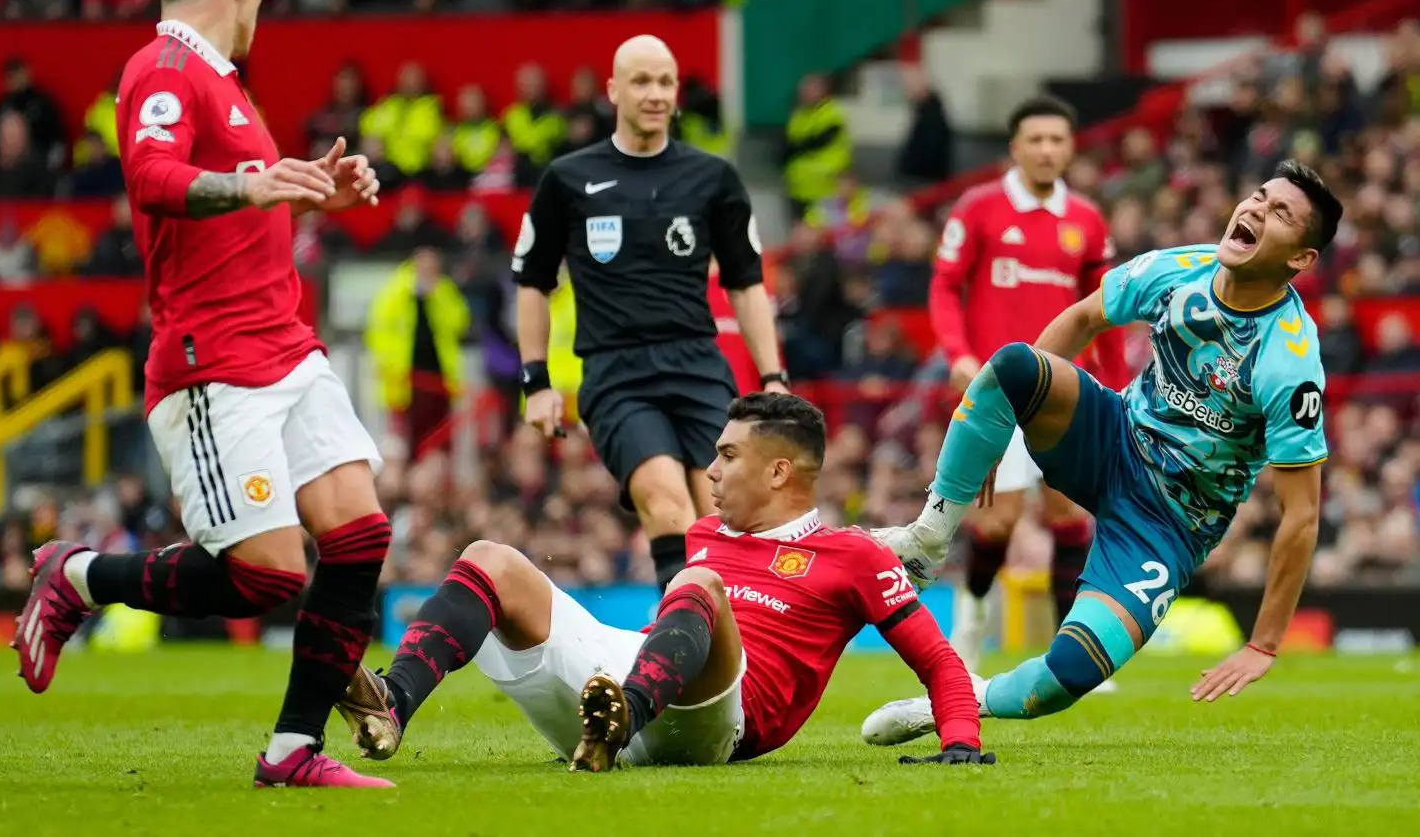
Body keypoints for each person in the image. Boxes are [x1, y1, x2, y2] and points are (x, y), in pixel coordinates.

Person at [10, 0, 393, 790]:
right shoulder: (162, 67)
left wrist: (312, 190)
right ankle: (76, 575)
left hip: (286, 345)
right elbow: (150, 174)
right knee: (264, 576)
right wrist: (252, 186)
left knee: (360, 534)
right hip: (214, 363)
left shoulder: (222, 81)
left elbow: (238, 206)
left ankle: (293, 751)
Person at [863, 161, 1339, 747]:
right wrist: (1004, 431)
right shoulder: (1180, 268)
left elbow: (1302, 514)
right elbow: (1086, 316)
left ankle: (962, 698)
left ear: (1301, 258)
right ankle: (928, 538)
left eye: (1280, 214)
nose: (1256, 211)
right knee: (1014, 364)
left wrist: (1263, 643)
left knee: (1071, 674)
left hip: (1170, 521)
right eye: (1259, 197)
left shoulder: (1290, 361)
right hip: (1112, 436)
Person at [337, 393, 993, 770]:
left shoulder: (853, 555)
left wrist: (961, 742)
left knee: (698, 584)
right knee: (490, 558)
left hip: (717, 725)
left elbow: (939, 662)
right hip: (627, 681)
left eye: (728, 456)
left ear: (779, 474)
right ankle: (393, 703)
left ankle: (619, 721)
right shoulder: (708, 534)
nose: (709, 470)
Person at [513, 34, 786, 594]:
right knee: (665, 503)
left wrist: (773, 377)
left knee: (720, 516)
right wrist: (536, 382)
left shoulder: (713, 179)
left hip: (698, 367)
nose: (655, 93)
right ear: (613, 90)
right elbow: (533, 282)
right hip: (617, 374)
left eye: (665, 81)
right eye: (641, 81)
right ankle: (686, 659)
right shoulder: (567, 180)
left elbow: (746, 284)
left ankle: (717, 658)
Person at [929, 95, 1127, 677]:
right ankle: (969, 629)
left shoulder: (1087, 220)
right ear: (1015, 148)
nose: (1046, 150)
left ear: (1070, 148)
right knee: (998, 520)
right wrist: (959, 354)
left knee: (1070, 517)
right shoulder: (980, 208)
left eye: (1057, 141)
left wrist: (1115, 389)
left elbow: (1105, 310)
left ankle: (1074, 659)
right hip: (997, 394)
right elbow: (943, 287)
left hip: (1067, 393)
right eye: (1035, 140)